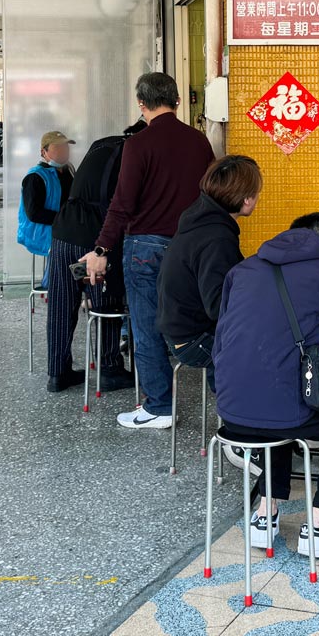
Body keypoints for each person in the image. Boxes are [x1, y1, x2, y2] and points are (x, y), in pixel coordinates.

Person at [213, 215, 319, 558]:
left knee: (277, 393)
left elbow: (222, 341)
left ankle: (265, 515)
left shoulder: (243, 270)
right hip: (280, 411)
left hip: (230, 412)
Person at [82, 73, 214, 430]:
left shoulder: (137, 145)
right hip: (192, 248)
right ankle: (227, 399)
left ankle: (159, 407)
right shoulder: (200, 142)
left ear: (141, 104)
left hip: (146, 248)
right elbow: (210, 197)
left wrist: (101, 248)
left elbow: (122, 204)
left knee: (147, 327)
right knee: (205, 322)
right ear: (177, 101)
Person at [43, 121, 144, 393]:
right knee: (105, 304)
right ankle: (109, 369)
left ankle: (57, 372)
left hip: (64, 231)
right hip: (94, 235)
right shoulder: (132, 155)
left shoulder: (101, 145)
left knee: (62, 304)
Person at [157, 155, 262, 371]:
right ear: (246, 199)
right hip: (194, 340)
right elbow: (219, 306)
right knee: (273, 347)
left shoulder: (201, 218)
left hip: (179, 329)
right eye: (257, 192)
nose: (257, 197)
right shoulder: (217, 238)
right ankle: (237, 403)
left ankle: (229, 398)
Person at [17, 130, 76, 288]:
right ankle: (52, 287)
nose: (64, 152)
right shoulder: (36, 177)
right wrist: (65, 221)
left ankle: (79, 288)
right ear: (44, 152)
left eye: (65, 147)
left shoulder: (68, 171)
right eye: (58, 148)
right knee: (64, 248)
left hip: (64, 227)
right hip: (42, 231)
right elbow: (34, 213)